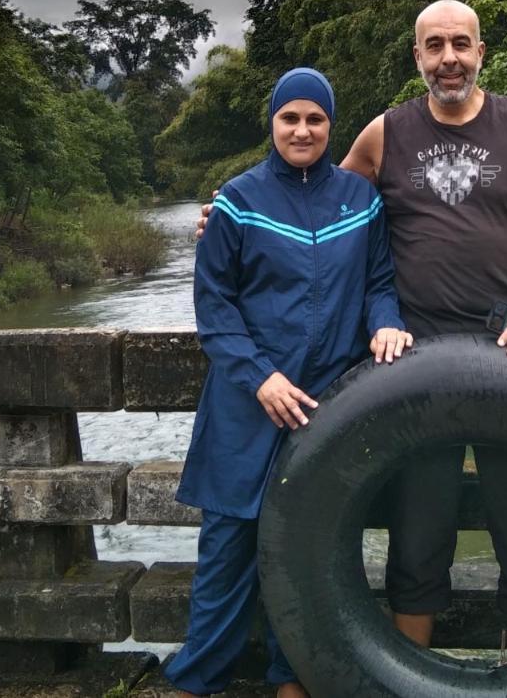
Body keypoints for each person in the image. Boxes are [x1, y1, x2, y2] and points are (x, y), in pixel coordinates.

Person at [198, 0, 507, 654]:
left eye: (461, 44)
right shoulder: (385, 133)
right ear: (417, 58)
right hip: (413, 361)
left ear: (481, 51)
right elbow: (316, 203)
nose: (449, 58)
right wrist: (228, 221)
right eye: (434, 46)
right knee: (418, 534)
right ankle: (413, 679)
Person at [166, 67, 413, 698]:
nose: (302, 130)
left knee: (310, 547)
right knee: (227, 550)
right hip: (247, 407)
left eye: (315, 119)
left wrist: (386, 324)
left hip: (326, 405)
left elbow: (380, 284)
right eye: (290, 118)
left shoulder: (360, 202)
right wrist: (260, 378)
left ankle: (292, 677)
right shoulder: (237, 201)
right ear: (272, 123)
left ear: (332, 126)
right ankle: (199, 680)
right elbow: (214, 308)